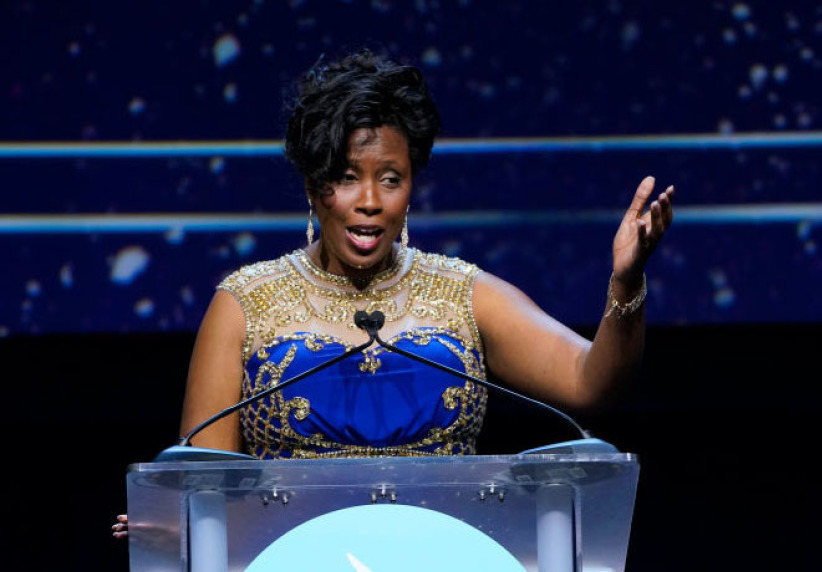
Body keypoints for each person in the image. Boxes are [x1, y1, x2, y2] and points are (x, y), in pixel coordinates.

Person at [115, 47, 673, 511]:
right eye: (346, 178)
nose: (369, 203)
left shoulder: (461, 295)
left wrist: (626, 283)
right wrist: (170, 522)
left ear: (412, 188)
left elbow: (591, 381)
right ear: (313, 188)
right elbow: (200, 488)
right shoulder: (245, 305)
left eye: (390, 178)